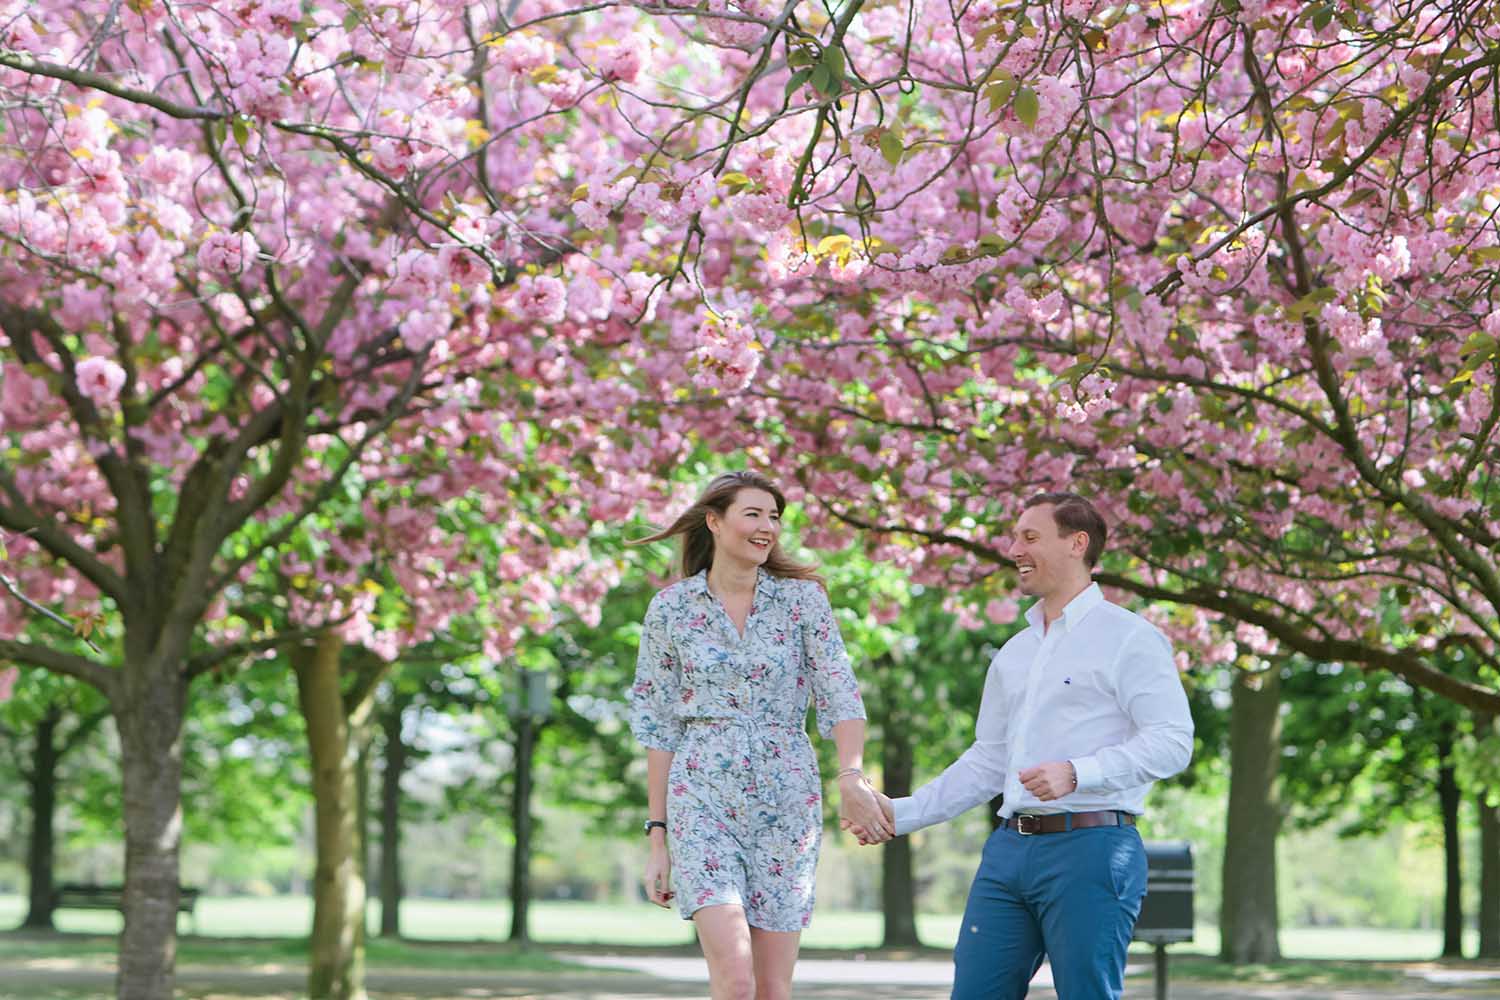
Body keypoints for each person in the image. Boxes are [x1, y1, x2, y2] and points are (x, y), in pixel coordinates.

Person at [860, 491, 1193, 1000]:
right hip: (1008, 851)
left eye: (1029, 537)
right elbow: (989, 759)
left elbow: (1173, 742)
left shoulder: (1129, 638)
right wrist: (900, 814)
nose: (1013, 548)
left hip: (1092, 847)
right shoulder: (1014, 653)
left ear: (1077, 544)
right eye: (1014, 536)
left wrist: (1081, 771)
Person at [628, 470, 893, 1000]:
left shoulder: (803, 601)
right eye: (753, 514)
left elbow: (840, 694)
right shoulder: (671, 608)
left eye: (773, 516)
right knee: (736, 979)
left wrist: (851, 775)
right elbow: (658, 725)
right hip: (700, 797)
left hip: (787, 800)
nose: (767, 527)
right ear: (715, 522)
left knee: (772, 989)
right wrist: (658, 838)